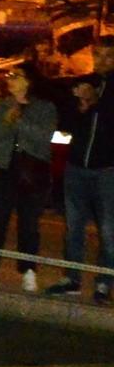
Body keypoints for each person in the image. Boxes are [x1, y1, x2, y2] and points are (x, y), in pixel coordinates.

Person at [0, 66, 56, 292]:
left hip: (32, 172)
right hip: (2, 169)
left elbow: (44, 137)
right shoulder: (1, 105)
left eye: (15, 76)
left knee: (29, 224)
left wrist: (19, 122)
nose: (9, 79)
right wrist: (7, 121)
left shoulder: (45, 108)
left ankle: (28, 271)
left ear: (28, 81)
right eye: (9, 76)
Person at [50, 39, 114, 301]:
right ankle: (72, 277)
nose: (102, 61)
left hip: (108, 170)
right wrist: (80, 106)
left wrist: (96, 102)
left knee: (109, 230)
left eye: (109, 56)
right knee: (73, 226)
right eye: (98, 55)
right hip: (76, 167)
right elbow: (65, 124)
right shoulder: (84, 82)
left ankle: (103, 281)